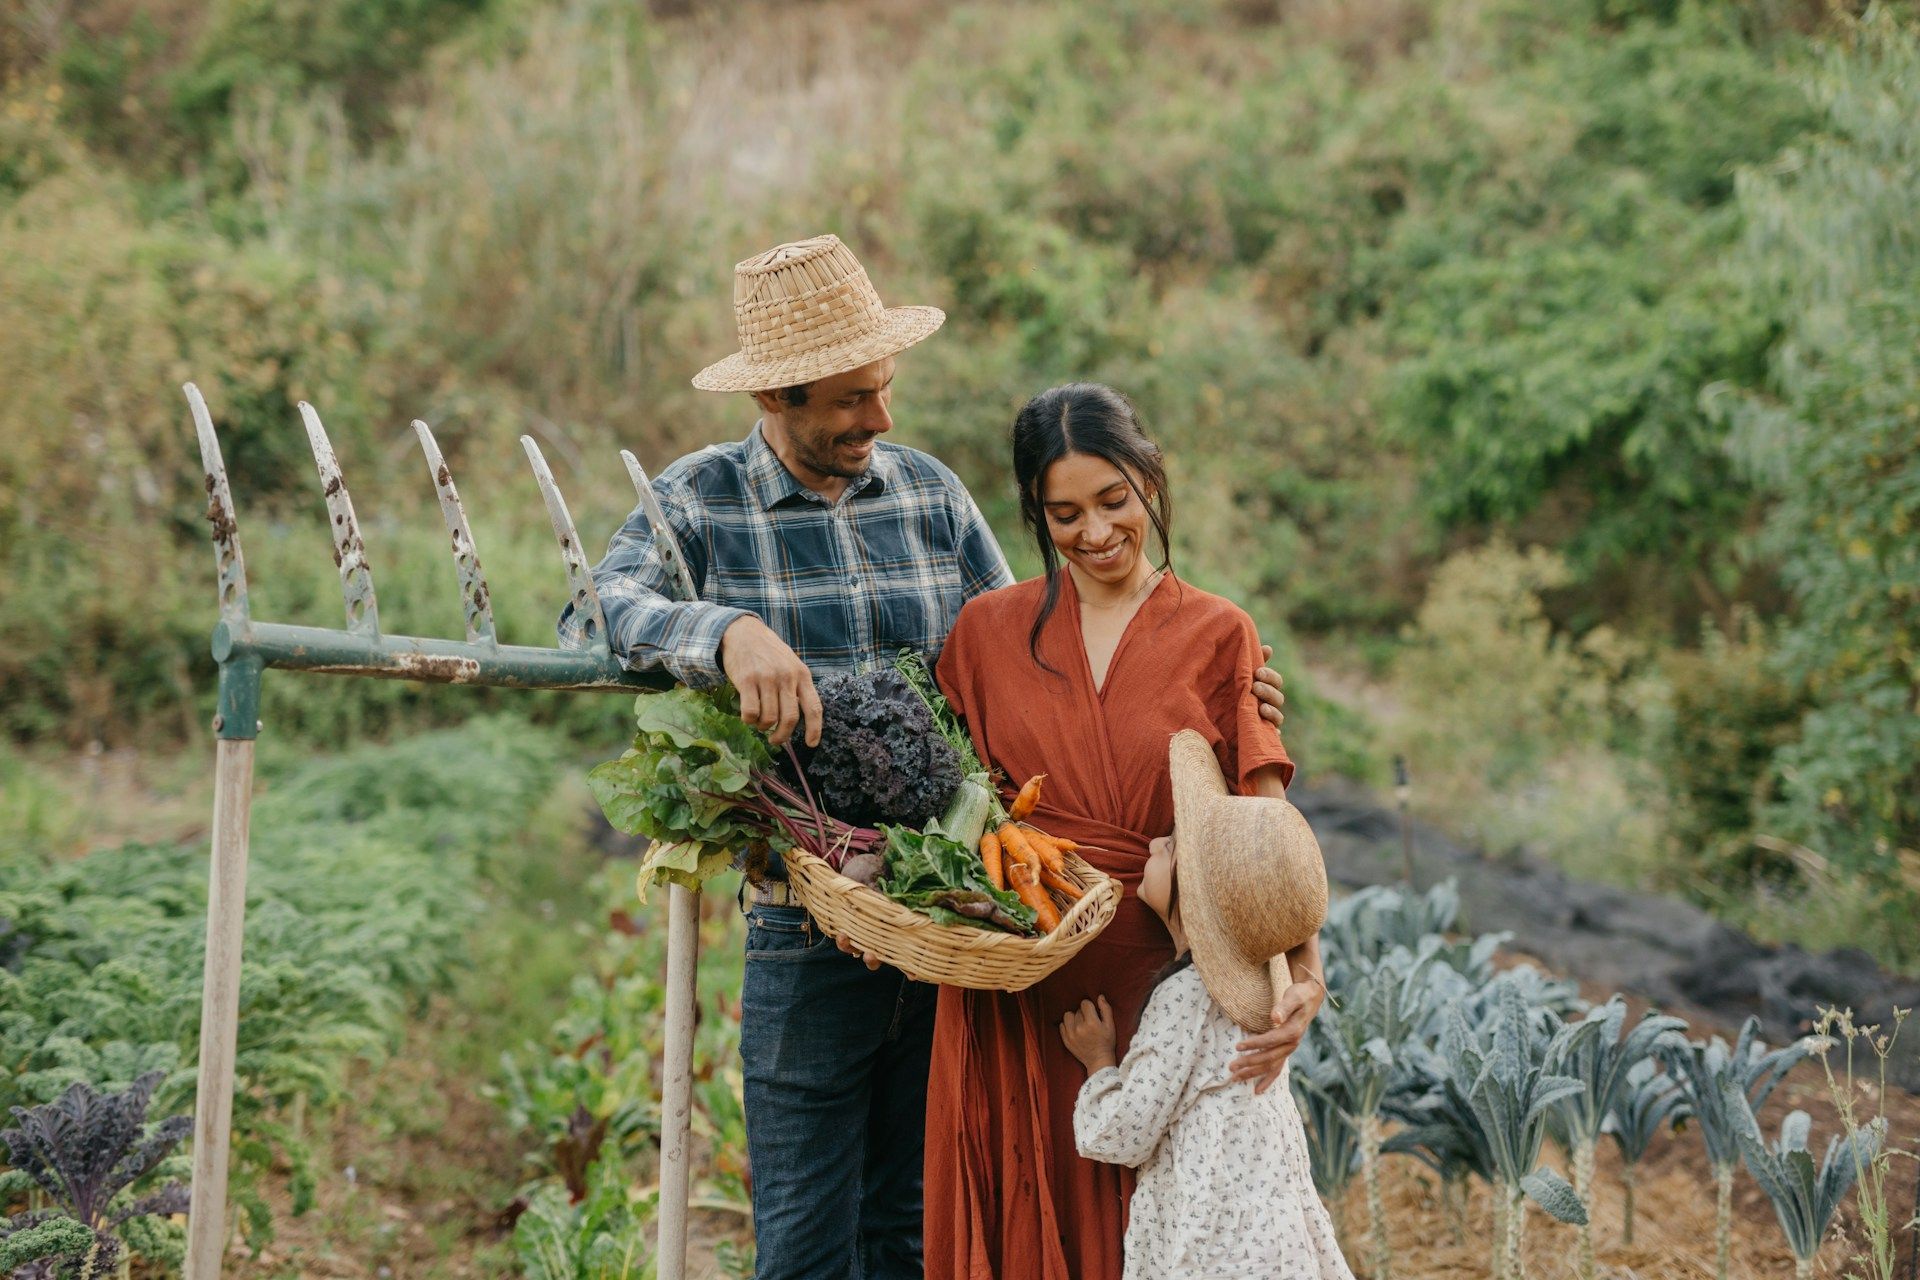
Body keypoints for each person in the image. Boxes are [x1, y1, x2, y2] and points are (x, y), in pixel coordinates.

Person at [561, 239, 1288, 1279]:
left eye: (885, 389)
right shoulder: (702, 499)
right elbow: (592, 608)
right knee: (808, 1246)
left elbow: (1043, 635)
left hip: (966, 926)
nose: (881, 419)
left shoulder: (929, 494)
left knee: (916, 1229)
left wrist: (1229, 687)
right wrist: (723, 631)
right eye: (853, 399)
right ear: (778, 392)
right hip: (812, 930)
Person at [926, 382, 1327, 1279]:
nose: (1096, 532)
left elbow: (1261, 832)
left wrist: (1305, 979)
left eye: (1115, 500)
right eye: (1063, 513)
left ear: (1152, 477)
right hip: (1017, 984)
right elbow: (942, 803)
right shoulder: (985, 634)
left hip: (1165, 986)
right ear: (1033, 513)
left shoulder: (1223, 633)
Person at [1060, 730, 1351, 1279]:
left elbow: (1123, 1133)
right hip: (1275, 1240)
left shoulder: (1185, 997)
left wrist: (1098, 1062)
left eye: (1170, 845)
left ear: (1192, 890)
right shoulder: (1267, 989)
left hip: (1214, 1247)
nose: (1152, 844)